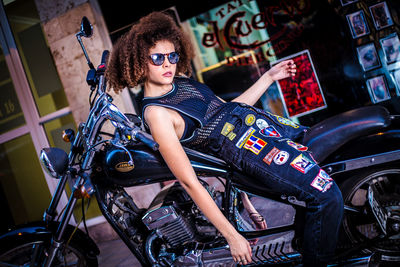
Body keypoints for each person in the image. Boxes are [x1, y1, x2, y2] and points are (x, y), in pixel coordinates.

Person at [106, 11, 344, 267]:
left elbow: (228, 111)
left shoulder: (183, 82)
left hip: (267, 128)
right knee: (325, 195)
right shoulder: (157, 114)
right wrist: (233, 235)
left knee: (337, 159)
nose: (168, 64)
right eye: (157, 58)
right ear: (139, 63)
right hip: (253, 149)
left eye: (172, 56)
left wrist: (269, 78)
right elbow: (189, 181)